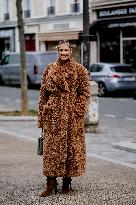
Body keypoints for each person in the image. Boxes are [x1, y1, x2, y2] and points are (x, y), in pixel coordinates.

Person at [37, 40, 90, 197]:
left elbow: (85, 93)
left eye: (66, 50)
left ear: (71, 51)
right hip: (53, 114)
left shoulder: (79, 70)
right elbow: (43, 95)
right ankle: (50, 182)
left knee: (71, 148)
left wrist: (77, 111)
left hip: (71, 116)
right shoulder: (49, 70)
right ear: (57, 52)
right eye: (61, 50)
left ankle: (67, 182)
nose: (63, 53)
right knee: (51, 150)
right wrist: (42, 116)